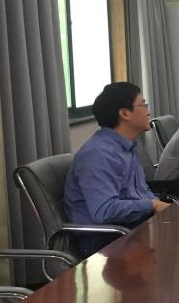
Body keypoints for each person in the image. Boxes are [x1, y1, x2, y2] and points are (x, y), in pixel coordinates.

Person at [64, 82, 170, 256]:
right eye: (143, 105)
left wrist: (157, 204)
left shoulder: (127, 146)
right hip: (105, 241)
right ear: (124, 113)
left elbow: (141, 192)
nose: (148, 111)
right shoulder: (98, 154)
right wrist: (152, 204)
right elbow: (104, 211)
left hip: (131, 228)